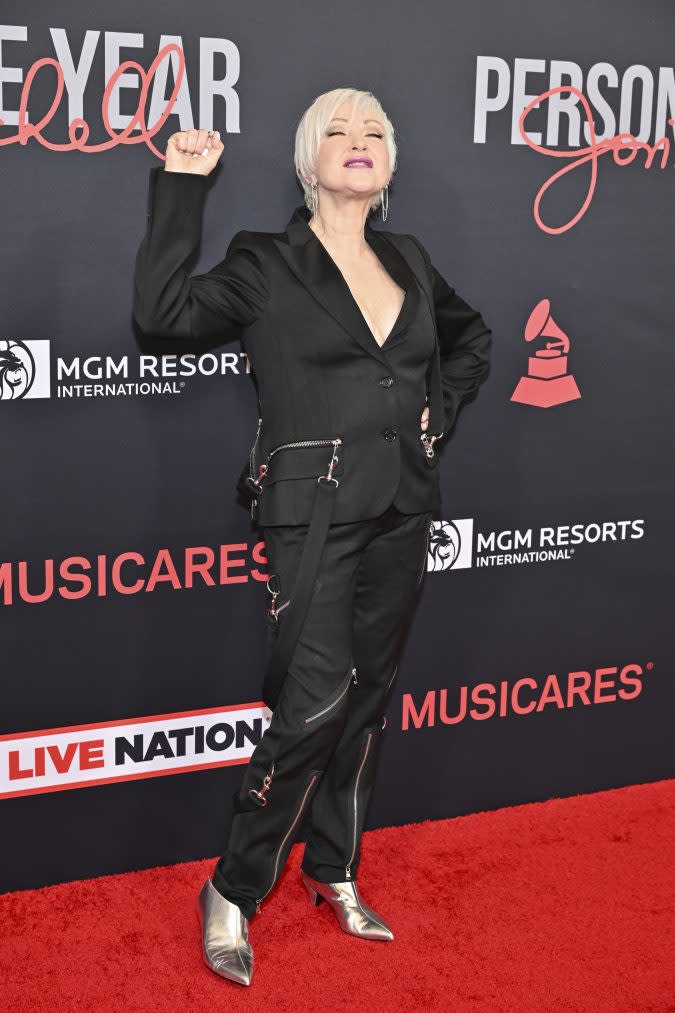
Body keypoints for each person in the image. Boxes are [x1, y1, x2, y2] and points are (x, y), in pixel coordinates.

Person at [132, 86, 492, 986]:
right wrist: (180, 186)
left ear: (390, 165)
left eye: (375, 128)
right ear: (307, 163)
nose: (358, 139)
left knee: (369, 698)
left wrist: (431, 423)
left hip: (404, 508)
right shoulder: (266, 260)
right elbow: (161, 316)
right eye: (337, 129)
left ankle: (334, 865)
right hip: (314, 510)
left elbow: (471, 339)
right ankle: (234, 885)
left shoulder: (407, 256)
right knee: (314, 704)